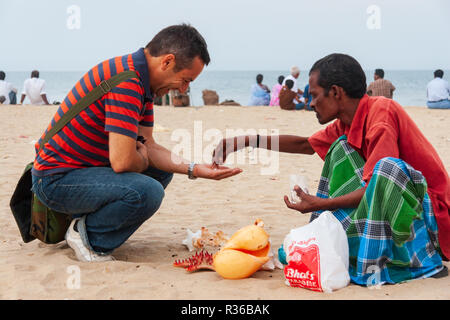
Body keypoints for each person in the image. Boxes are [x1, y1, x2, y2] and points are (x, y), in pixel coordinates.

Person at [213, 53, 449, 286]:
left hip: (429, 217)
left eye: (315, 95)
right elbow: (305, 145)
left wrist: (321, 204)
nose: (310, 103)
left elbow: (380, 182)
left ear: (335, 92)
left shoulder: (381, 114)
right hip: (392, 208)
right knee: (341, 149)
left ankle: (423, 260)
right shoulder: (347, 123)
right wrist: (247, 140)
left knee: (385, 167)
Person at [31, 24, 242, 262]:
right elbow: (122, 162)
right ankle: (87, 236)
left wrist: (196, 169)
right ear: (167, 61)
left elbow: (148, 145)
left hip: (81, 170)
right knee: (148, 191)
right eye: (185, 80)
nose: (183, 89)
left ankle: (87, 222)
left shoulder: (141, 80)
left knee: (162, 171)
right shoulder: (128, 83)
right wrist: (140, 160)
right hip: (55, 180)